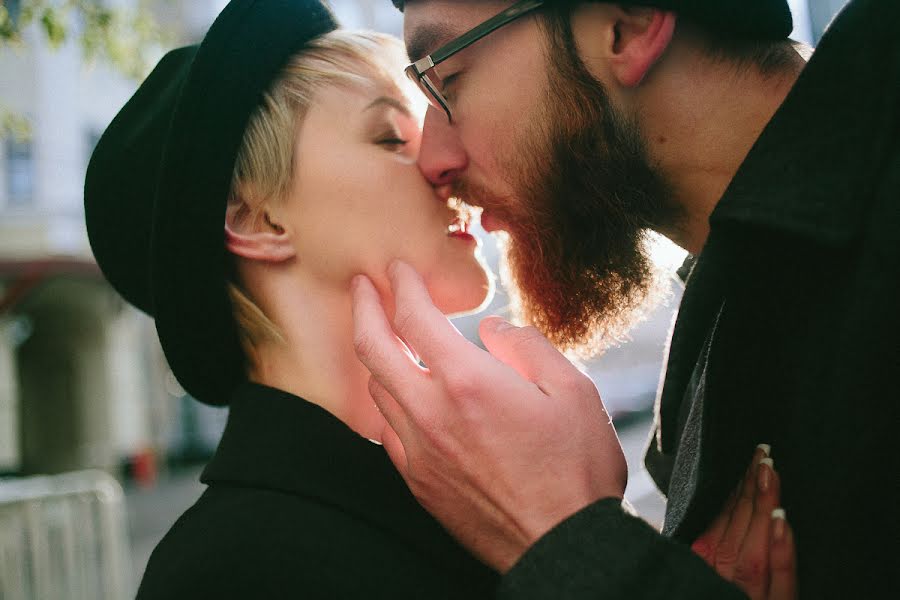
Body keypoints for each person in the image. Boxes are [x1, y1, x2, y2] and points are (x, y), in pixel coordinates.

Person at [351, 0, 900, 597]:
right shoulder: (733, 320)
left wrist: (557, 533)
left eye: (447, 78)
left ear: (629, 25)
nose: (434, 159)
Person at [84, 1, 500, 597]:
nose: (444, 160)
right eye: (390, 136)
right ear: (257, 220)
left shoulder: (472, 488)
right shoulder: (230, 572)